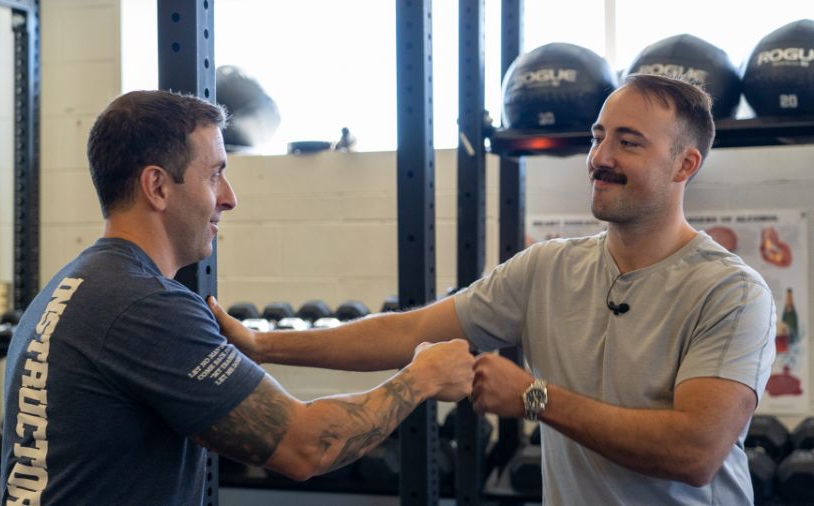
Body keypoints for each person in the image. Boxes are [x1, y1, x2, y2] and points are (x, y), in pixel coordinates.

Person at [210, 74, 776, 505]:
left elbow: (695, 451)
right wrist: (263, 346)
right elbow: (409, 331)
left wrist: (536, 397)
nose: (600, 158)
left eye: (628, 143)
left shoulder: (729, 293)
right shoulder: (547, 269)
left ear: (685, 164)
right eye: (599, 137)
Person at [0, 90, 475, 505]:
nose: (228, 198)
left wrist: (262, 345)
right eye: (214, 175)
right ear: (158, 186)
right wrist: (420, 379)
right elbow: (306, 446)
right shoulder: (144, 305)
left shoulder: (69, 288)